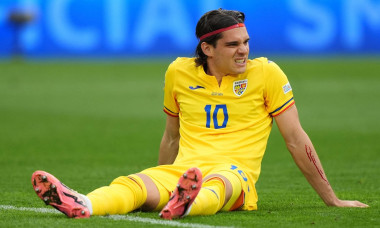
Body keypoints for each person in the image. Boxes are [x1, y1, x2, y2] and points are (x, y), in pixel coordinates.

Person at [31, 9, 368, 220]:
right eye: (233, 45)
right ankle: (84, 204)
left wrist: (332, 200)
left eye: (246, 42)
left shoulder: (266, 74)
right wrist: (163, 176)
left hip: (236, 174)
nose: (244, 51)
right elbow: (171, 136)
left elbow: (295, 139)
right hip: (183, 170)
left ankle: (187, 204)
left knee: (219, 186)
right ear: (207, 49)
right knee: (135, 185)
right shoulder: (179, 72)